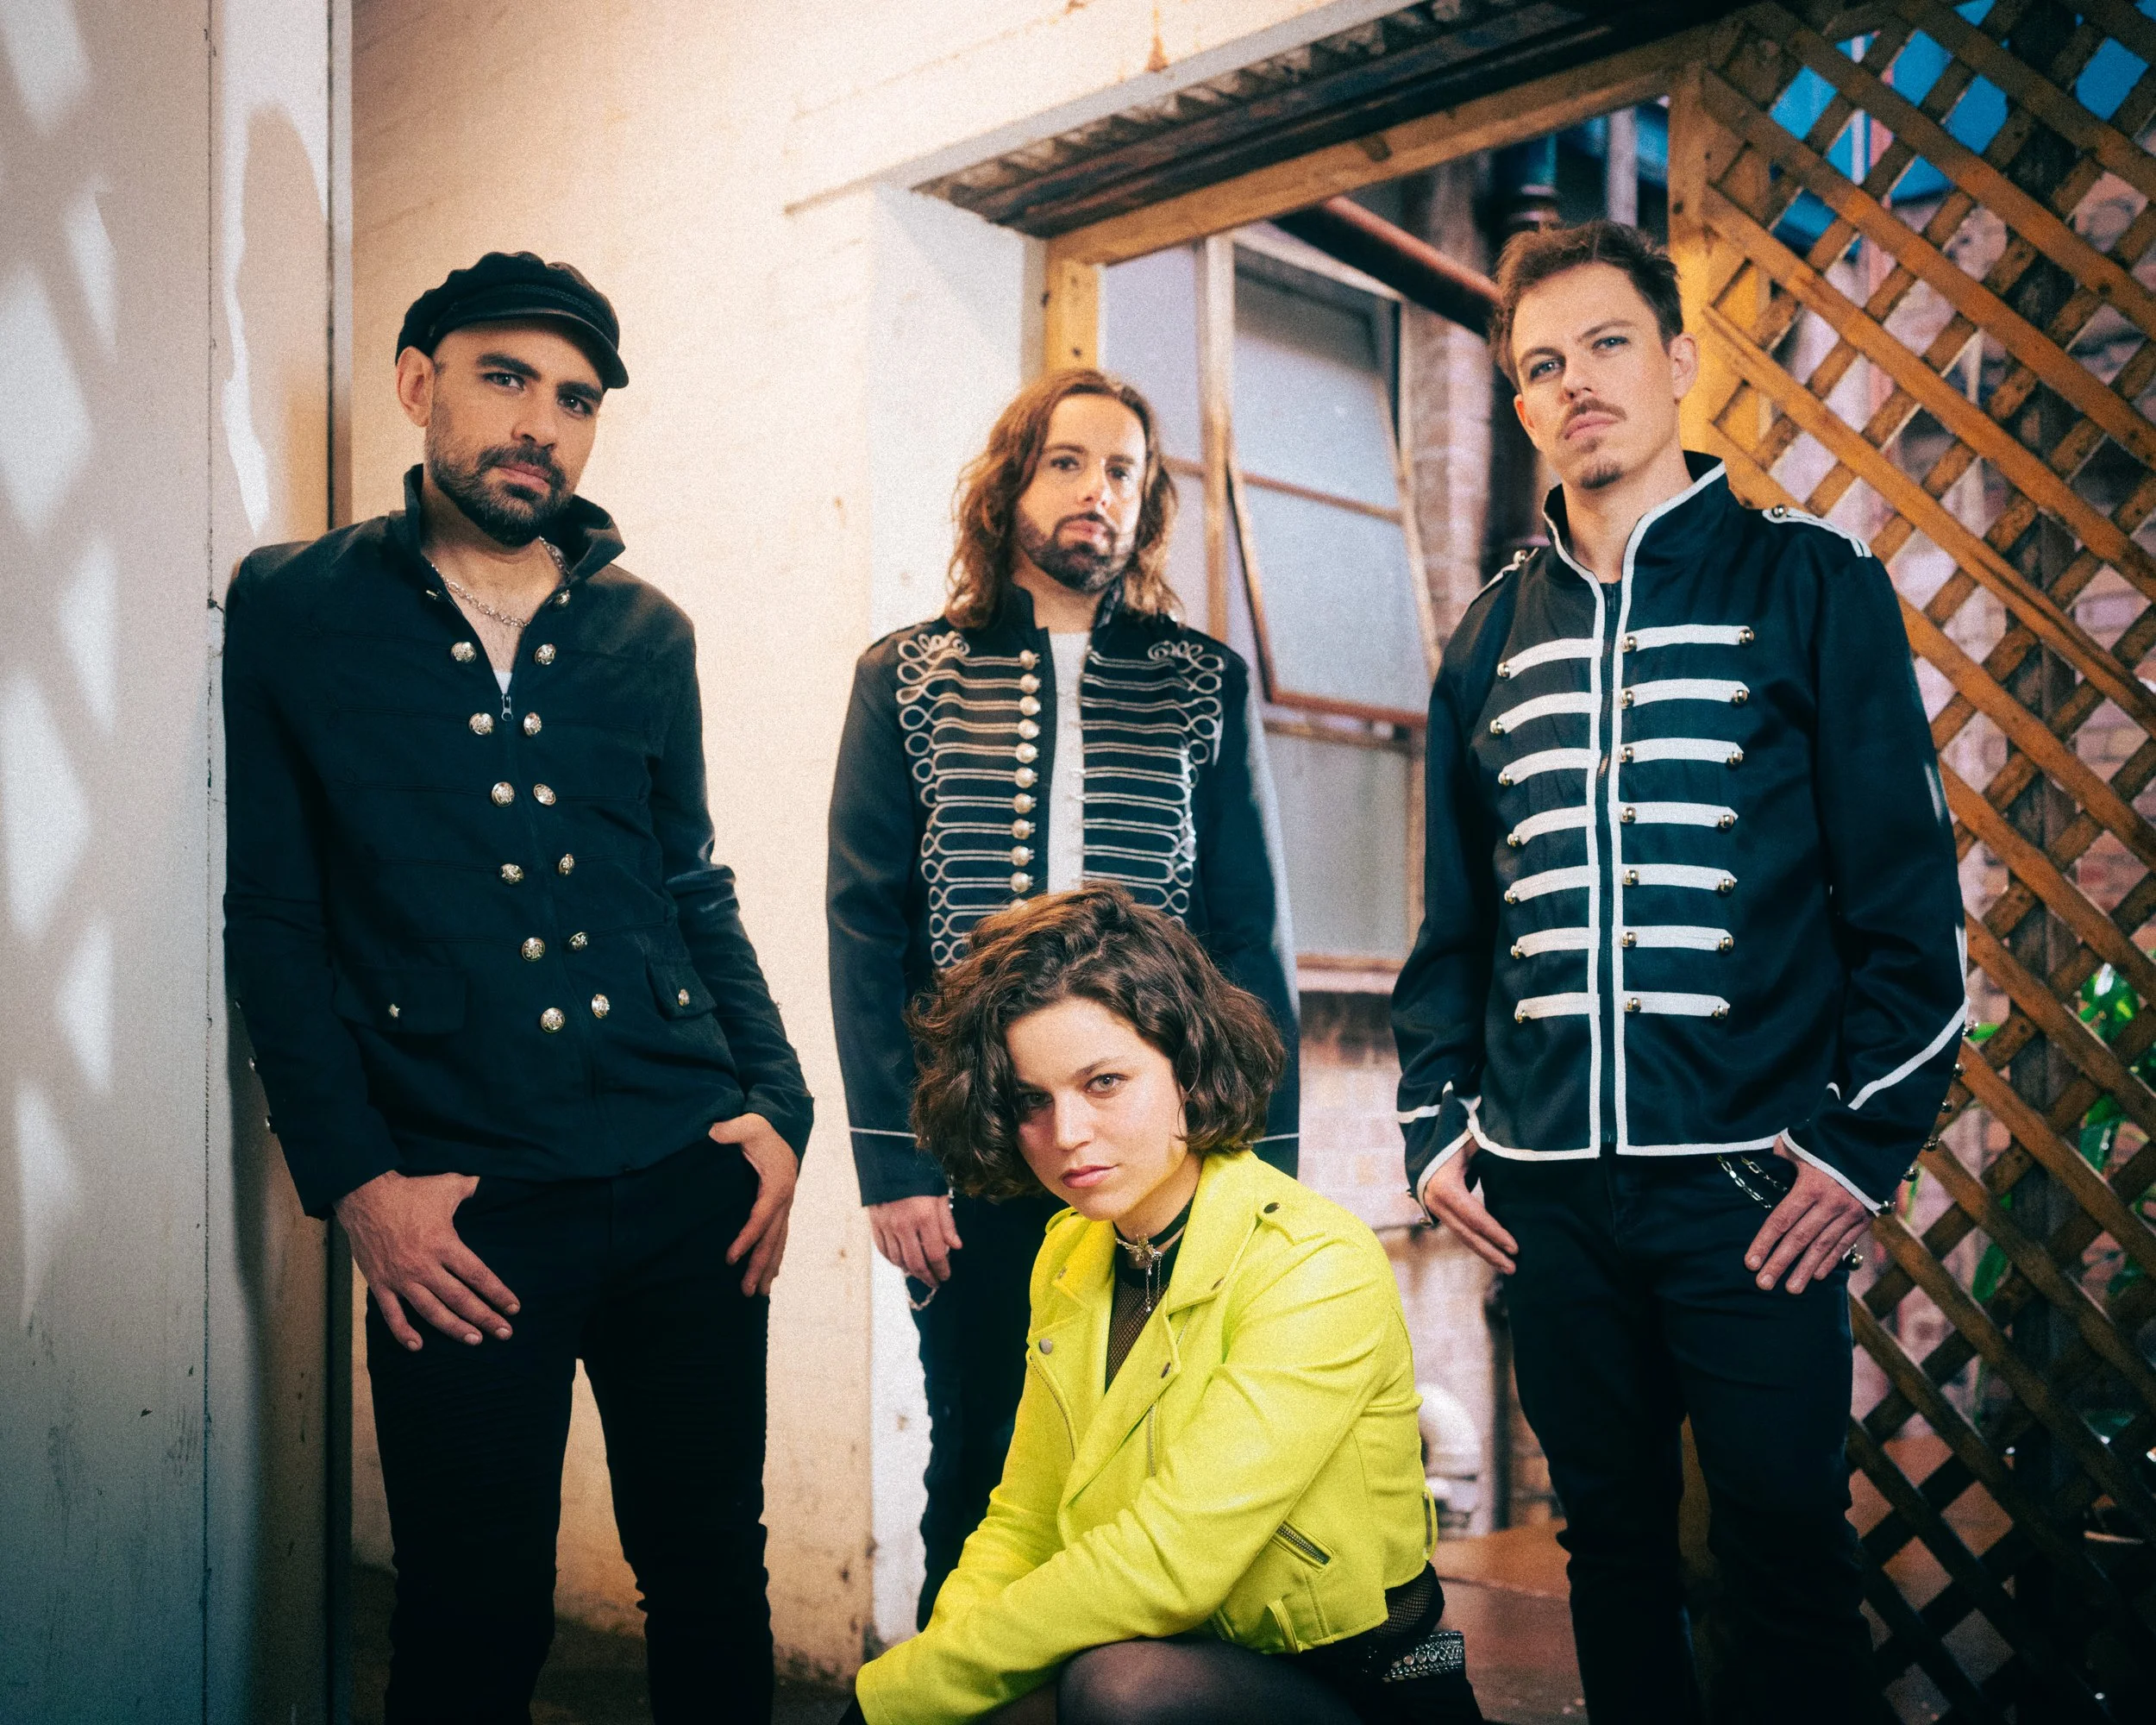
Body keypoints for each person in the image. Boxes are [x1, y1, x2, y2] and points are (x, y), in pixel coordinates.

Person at [222, 250, 812, 1723]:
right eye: (506, 378)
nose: (543, 420)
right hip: (462, 1213)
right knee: (472, 1617)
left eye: (577, 397)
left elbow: (694, 886)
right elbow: (278, 917)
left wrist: (781, 1107)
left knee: (707, 1584)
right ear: (420, 383)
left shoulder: (647, 632)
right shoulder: (295, 607)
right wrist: (358, 1182)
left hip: (690, 1181)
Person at [1393, 219, 1965, 1724]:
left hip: (1753, 1190)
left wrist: (1857, 1149)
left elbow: (1913, 921)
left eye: (1606, 345)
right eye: (1539, 366)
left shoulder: (1815, 585)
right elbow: (1456, 927)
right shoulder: (1485, 639)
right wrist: (1435, 1126)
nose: (1575, 383)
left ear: (1680, 363)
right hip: (1549, 1195)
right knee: (1614, 1555)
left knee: (1784, 1555)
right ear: (1518, 407)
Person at [828, 367, 1300, 1622]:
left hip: (1163, 1157)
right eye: (1069, 463)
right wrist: (892, 1162)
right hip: (976, 1149)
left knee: (1162, 1471)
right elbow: (864, 926)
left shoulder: (1206, 681)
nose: (1098, 492)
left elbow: (1252, 937)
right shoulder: (908, 674)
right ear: (1010, 485)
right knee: (979, 1462)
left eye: (1124, 472)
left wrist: (1267, 1167)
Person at [844, 886, 1479, 1725]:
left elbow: (1168, 1560)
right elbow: (1024, 1520)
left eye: (1103, 1081)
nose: (1066, 1130)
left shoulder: (1314, 1263)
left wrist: (892, 1695)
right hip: (1179, 1655)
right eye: (1033, 1098)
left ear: (1189, 1066)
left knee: (1118, 1692)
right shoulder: (1070, 1249)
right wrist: (927, 1687)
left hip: (1363, 1687)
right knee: (985, 1707)